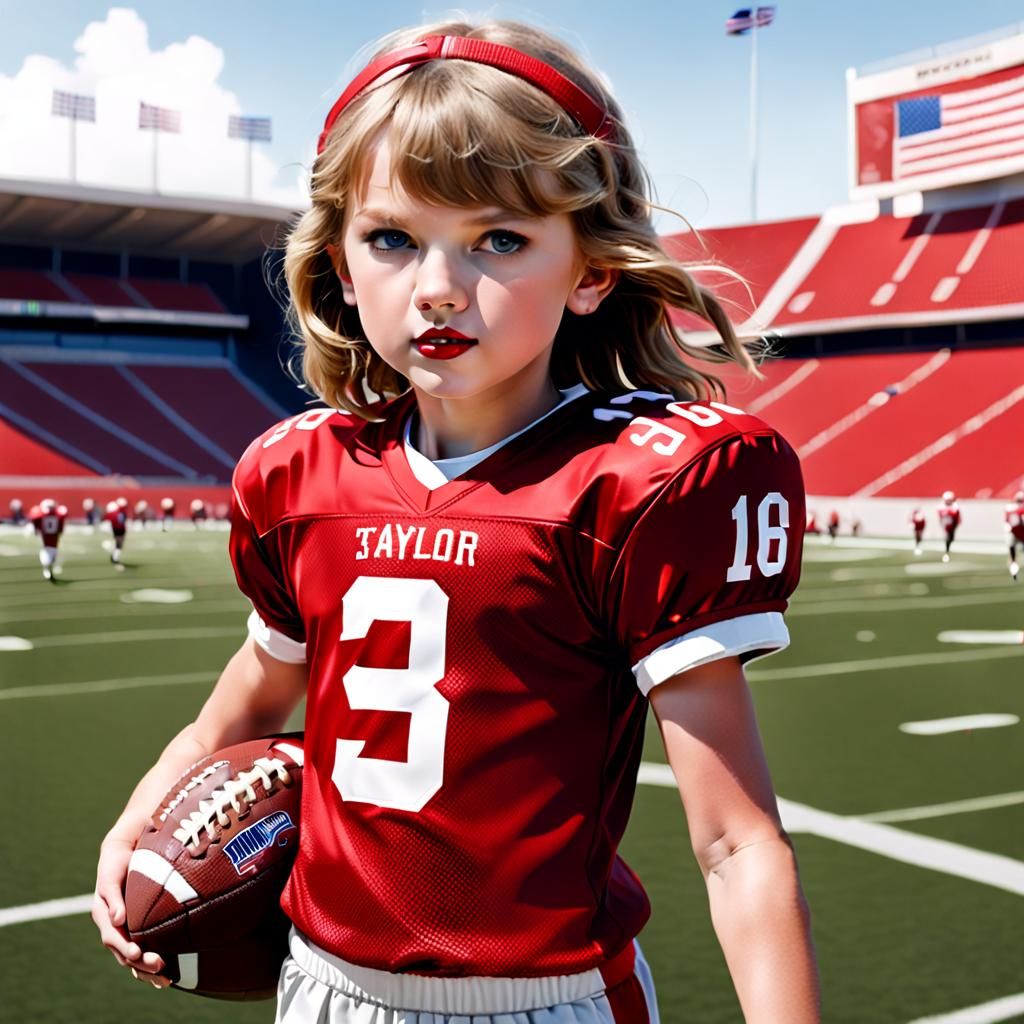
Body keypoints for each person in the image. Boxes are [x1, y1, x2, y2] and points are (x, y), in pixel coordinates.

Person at [92, 20, 819, 1024]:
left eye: (500, 240)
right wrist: (142, 813)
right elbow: (246, 703)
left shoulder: (640, 484)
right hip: (321, 990)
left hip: (548, 998)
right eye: (392, 237)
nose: (438, 285)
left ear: (592, 268)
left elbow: (735, 842)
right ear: (341, 265)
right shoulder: (302, 472)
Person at [29, 497, 67, 581]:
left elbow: (34, 520)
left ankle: (47, 567)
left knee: (48, 552)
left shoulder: (40, 515)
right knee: (51, 552)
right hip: (53, 537)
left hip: (46, 536)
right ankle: (47, 567)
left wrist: (36, 529)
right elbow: (62, 523)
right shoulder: (59, 514)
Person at [1005, 490, 1024, 582]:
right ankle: (1013, 568)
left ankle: (1013, 569)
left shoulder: (1010, 508)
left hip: (1015, 532)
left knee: (1012, 553)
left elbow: (1007, 522)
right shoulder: (1014, 509)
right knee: (1012, 553)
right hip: (1017, 533)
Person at [937, 490, 961, 563]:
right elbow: (941, 516)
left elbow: (956, 517)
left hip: (953, 525)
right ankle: (946, 552)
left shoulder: (955, 506)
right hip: (945, 524)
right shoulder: (941, 506)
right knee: (947, 538)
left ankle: (947, 550)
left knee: (951, 539)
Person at [103, 498, 128, 566]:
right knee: (119, 544)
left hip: (116, 528)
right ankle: (115, 557)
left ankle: (115, 556)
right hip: (118, 529)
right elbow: (119, 521)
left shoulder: (117, 511)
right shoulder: (118, 512)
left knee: (118, 544)